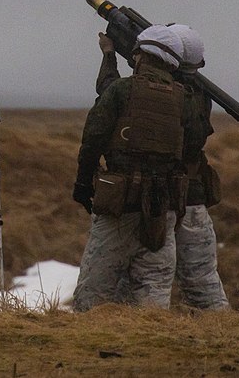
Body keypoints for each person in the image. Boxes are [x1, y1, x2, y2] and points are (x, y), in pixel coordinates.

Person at [96, 24, 229, 310]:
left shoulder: (163, 95)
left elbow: (110, 93)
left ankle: (136, 335)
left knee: (133, 280)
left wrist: (109, 56)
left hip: (154, 202)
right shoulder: (197, 95)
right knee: (202, 283)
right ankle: (220, 334)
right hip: (189, 199)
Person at [72, 25, 189, 312]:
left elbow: (93, 139)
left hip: (119, 207)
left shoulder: (122, 90)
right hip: (162, 209)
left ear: (140, 56)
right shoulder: (182, 97)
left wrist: (83, 184)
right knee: (153, 294)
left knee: (93, 294)